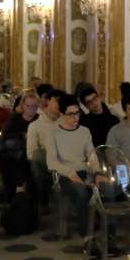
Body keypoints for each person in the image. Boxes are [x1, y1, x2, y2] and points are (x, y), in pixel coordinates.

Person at [45, 94, 99, 250]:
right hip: (64, 174)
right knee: (81, 193)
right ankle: (88, 237)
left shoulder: (84, 131)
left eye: (77, 113)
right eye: (71, 114)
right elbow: (52, 161)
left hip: (84, 171)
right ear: (61, 114)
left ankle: (109, 234)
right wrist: (70, 173)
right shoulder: (54, 132)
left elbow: (91, 155)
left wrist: (97, 173)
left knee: (107, 189)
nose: (75, 117)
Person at [0, 91, 38, 198]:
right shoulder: (15, 119)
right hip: (15, 150)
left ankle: (22, 189)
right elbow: (6, 136)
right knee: (6, 155)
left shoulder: (39, 120)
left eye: (34, 106)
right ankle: (13, 191)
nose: (31, 109)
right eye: (28, 106)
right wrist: (22, 136)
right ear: (23, 106)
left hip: (31, 151)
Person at [76, 82, 119, 146]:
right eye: (89, 102)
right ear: (86, 106)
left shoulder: (114, 120)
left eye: (94, 98)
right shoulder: (84, 123)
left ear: (99, 98)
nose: (93, 103)